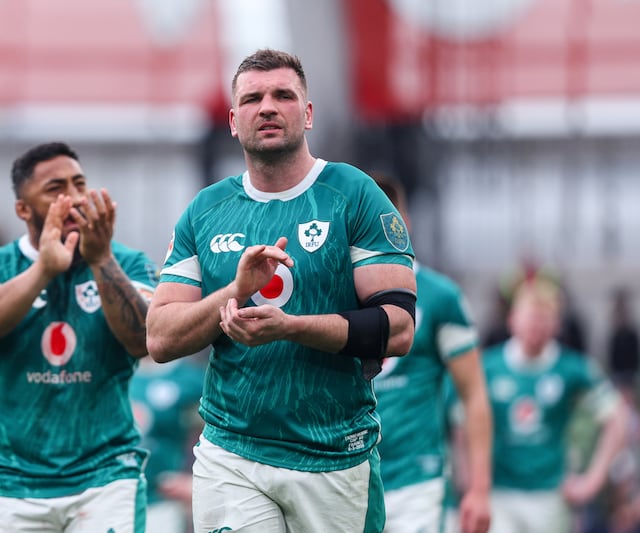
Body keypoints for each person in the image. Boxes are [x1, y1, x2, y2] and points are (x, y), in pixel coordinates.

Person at [146, 48, 417, 533]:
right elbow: (161, 337)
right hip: (232, 453)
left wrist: (291, 328)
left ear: (307, 113)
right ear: (233, 120)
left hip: (334, 454)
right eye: (252, 98)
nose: (267, 107)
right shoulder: (205, 211)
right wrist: (234, 290)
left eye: (283, 95)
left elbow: (397, 328)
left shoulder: (353, 194)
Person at [0, 142, 158, 533]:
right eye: (55, 188)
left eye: (80, 183)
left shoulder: (128, 263)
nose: (75, 197)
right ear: (23, 210)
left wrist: (101, 260)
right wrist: (43, 270)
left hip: (107, 477)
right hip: (18, 483)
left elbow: (145, 341)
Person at [370, 174, 491, 533]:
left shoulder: (440, 296)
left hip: (417, 479)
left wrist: (480, 490)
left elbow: (473, 393)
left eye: (389, 218)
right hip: (349, 479)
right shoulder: (336, 296)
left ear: (403, 223)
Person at [481, 277, 628, 533]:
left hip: (551, 497)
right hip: (500, 495)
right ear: (512, 319)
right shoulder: (488, 367)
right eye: (530, 317)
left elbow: (618, 418)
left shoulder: (573, 369)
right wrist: (473, 481)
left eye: (544, 318)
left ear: (556, 325)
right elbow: (459, 421)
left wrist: (592, 481)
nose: (536, 325)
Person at [129, 353, 206, 533]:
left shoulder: (190, 379)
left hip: (161, 502)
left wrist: (195, 482)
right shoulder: (112, 372)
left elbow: (220, 434)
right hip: (111, 500)